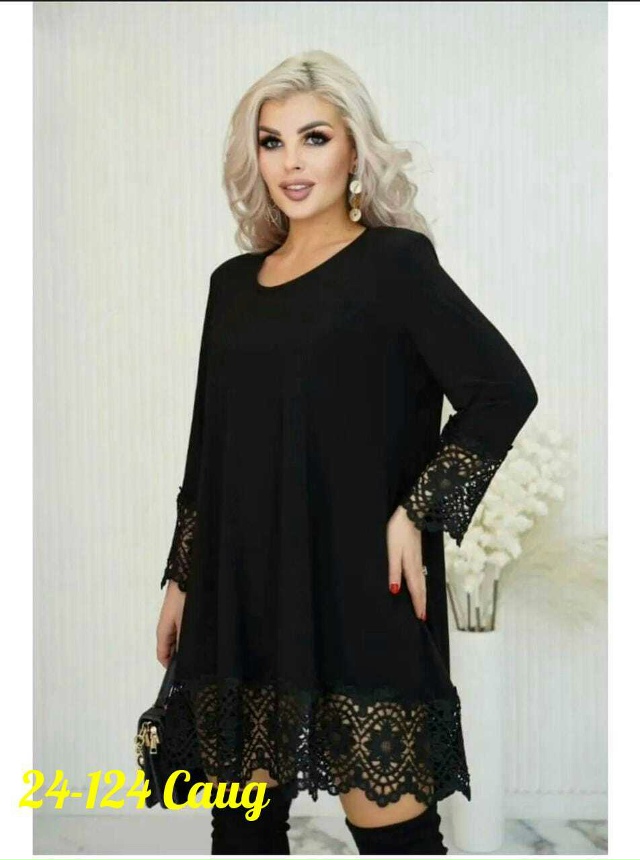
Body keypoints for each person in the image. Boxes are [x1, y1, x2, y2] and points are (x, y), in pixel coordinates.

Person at [155, 50, 538, 855]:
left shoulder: (396, 265)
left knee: (396, 832)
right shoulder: (232, 287)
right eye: (272, 142)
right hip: (243, 585)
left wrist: (417, 512)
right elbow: (208, 448)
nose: (291, 163)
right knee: (242, 829)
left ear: (355, 149)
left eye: (315, 138)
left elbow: (503, 391)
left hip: (363, 582)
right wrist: (183, 578)